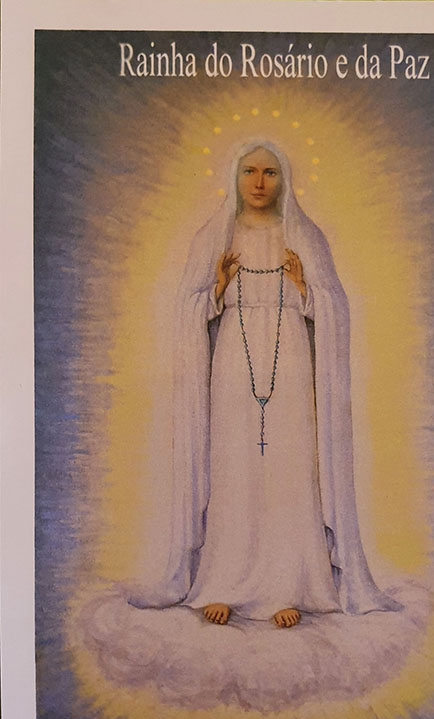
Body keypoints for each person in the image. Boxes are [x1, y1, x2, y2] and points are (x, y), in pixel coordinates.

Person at [129, 138, 400, 626]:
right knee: (233, 468)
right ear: (234, 177)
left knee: (290, 469)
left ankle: (289, 586)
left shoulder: (304, 235)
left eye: (270, 172)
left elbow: (334, 306)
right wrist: (216, 289)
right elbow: (190, 308)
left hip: (290, 360)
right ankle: (222, 584)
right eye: (249, 171)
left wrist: (304, 288)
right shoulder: (215, 235)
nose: (258, 182)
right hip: (233, 362)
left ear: (284, 180)